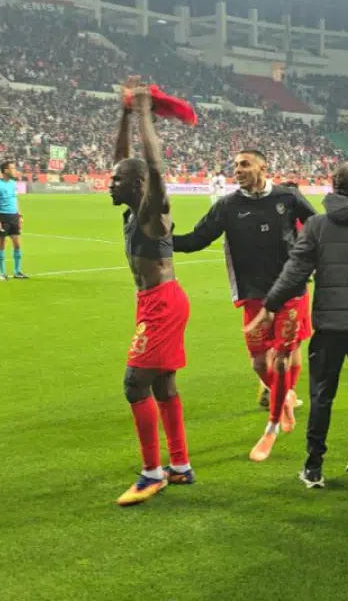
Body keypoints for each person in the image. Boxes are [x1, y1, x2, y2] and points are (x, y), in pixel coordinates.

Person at [251, 163, 348, 489]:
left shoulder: (317, 225)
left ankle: (314, 466)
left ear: (334, 187)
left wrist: (270, 305)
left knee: (323, 393)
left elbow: (295, 271)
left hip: (331, 325)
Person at [170, 150, 317, 462]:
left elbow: (317, 227)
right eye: (235, 165)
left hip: (289, 291)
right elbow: (197, 239)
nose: (237, 170)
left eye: (244, 164)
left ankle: (271, 428)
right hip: (252, 295)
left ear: (263, 167)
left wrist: (315, 261)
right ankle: (285, 396)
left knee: (281, 359)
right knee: (259, 363)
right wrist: (164, 240)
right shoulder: (227, 205)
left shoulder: (288, 197)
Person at [109, 85, 196, 506]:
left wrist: (144, 112)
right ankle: (179, 464)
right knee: (163, 383)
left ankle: (152, 473)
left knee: (134, 383)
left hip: (162, 303)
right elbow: (126, 162)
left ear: (138, 184)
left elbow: (154, 167)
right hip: (156, 300)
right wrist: (125, 114)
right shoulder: (134, 206)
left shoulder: (154, 212)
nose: (110, 183)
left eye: (117, 180)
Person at [0, 161, 27, 280]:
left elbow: (15, 200)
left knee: (17, 243)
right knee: (2, 243)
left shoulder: (13, 183)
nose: (15, 170)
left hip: (13, 216)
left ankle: (17, 271)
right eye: (13, 168)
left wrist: (20, 216)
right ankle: (2, 273)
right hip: (2, 216)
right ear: (6, 170)